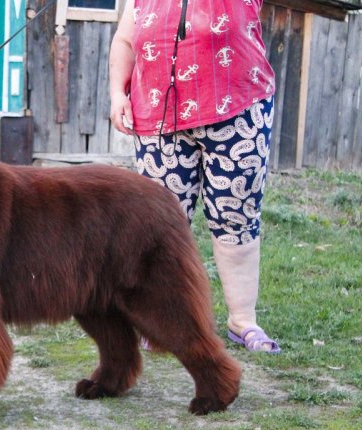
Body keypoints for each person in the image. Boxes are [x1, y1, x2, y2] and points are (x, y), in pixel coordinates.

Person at [108, 0, 280, 353]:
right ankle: (158, 318)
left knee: (236, 215)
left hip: (236, 108)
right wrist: (116, 95)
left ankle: (243, 320)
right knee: (161, 223)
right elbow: (125, 40)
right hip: (159, 114)